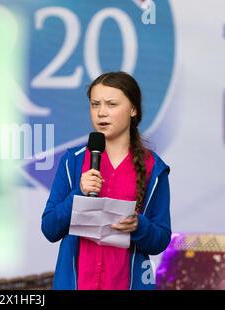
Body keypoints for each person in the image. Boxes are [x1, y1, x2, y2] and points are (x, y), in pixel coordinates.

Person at [41, 71, 171, 290]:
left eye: (111, 104)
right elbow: (49, 228)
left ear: (133, 109)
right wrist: (78, 194)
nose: (101, 113)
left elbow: (160, 239)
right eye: (95, 104)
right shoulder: (72, 162)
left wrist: (139, 226)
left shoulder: (154, 168)